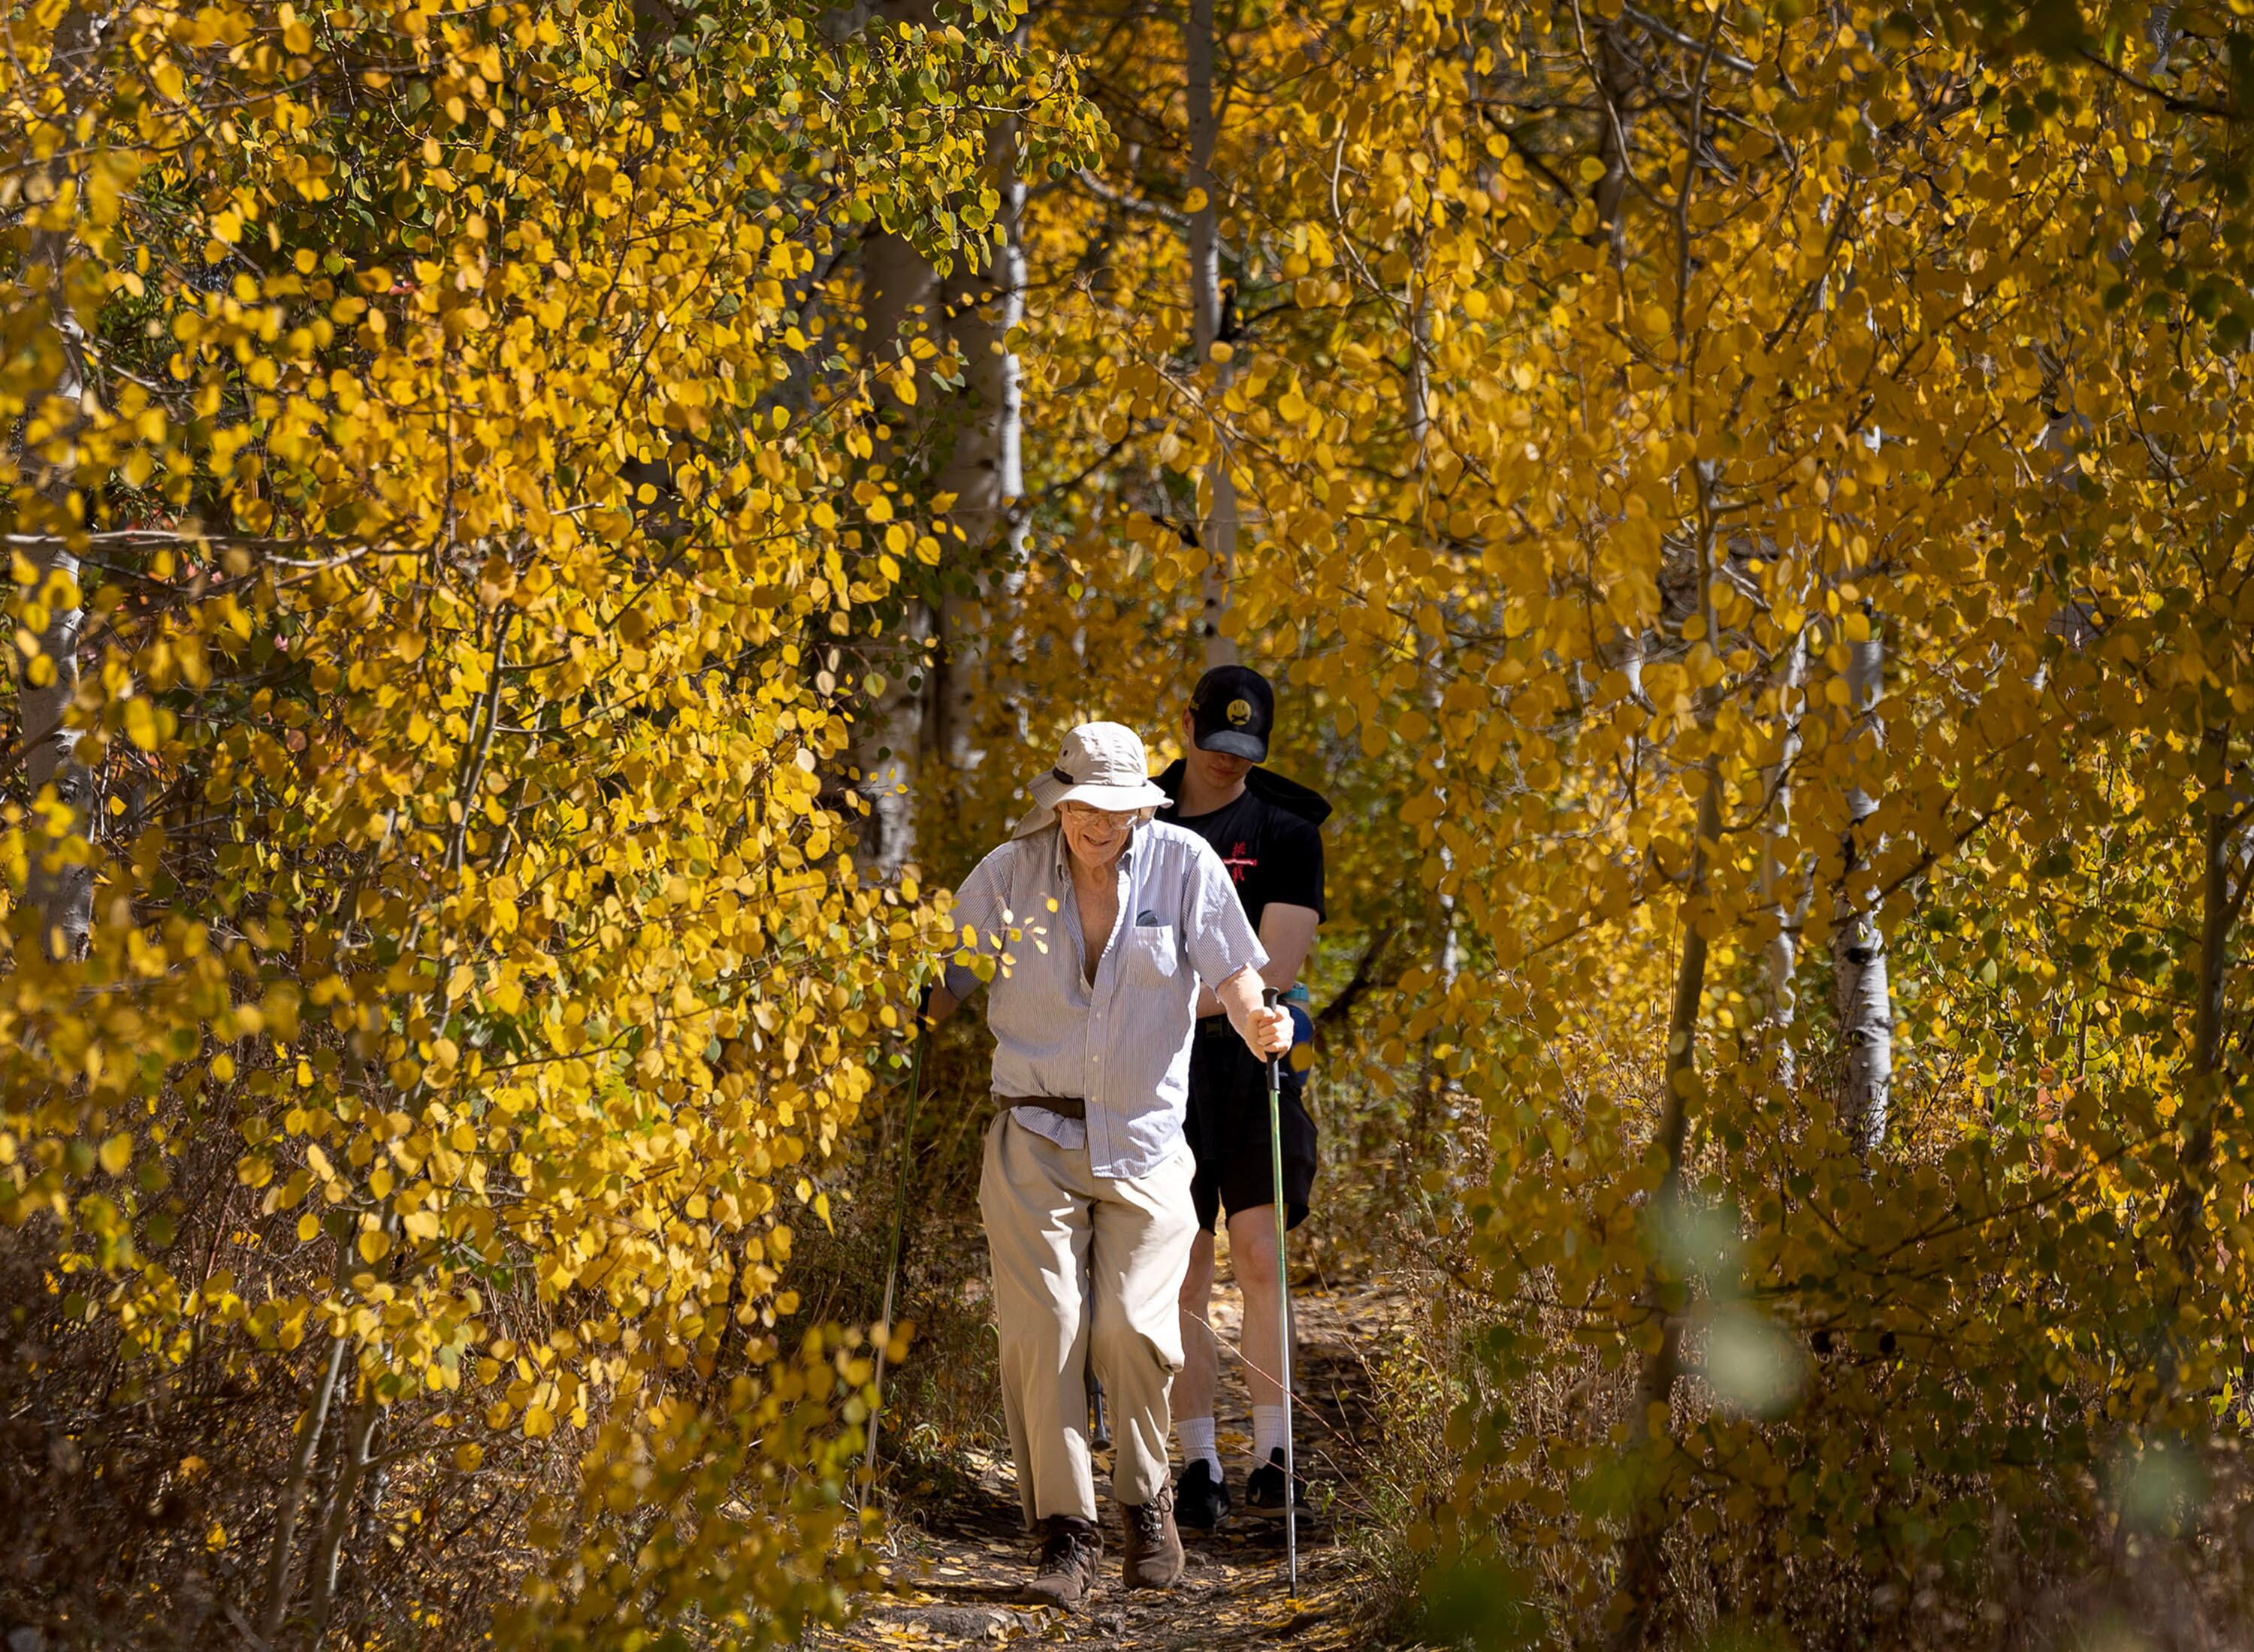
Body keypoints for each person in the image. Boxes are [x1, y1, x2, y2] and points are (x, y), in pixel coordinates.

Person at [925, 720, 1293, 1606]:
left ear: (1142, 806)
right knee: (1044, 1329)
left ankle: (1147, 1499)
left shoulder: (1183, 864)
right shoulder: (1010, 873)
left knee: (1132, 1329)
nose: (1100, 824)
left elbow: (1238, 973)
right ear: (1061, 802)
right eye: (1085, 806)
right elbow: (949, 977)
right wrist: (910, 1001)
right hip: (1033, 1137)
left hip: (1146, 1140)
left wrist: (1261, 1023)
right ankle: (1066, 1533)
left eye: (1119, 808)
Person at [1155, 664, 1329, 1530]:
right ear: (1185, 724)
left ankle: (1274, 1454)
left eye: (1245, 751)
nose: (1227, 765)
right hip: (1160, 1068)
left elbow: (1279, 968)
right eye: (1215, 746)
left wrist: (1172, 990)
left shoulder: (1289, 828)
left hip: (1256, 1060)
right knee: (1181, 1264)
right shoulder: (1134, 819)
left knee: (1258, 1255)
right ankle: (1197, 1464)